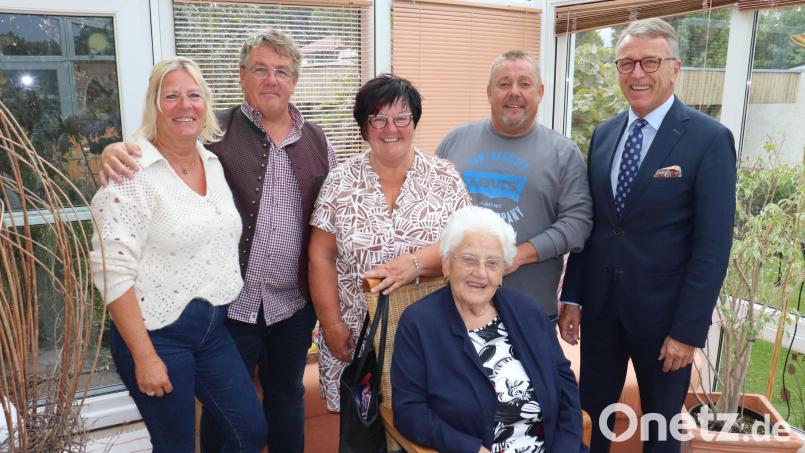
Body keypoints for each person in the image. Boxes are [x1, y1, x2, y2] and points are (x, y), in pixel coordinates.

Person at [95, 28, 336, 453]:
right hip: (232, 309)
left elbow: (331, 215)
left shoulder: (318, 140)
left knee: (285, 399)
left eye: (282, 71)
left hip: (292, 305)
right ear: (242, 76)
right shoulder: (213, 128)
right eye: (259, 69)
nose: (271, 79)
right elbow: (160, 143)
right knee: (224, 424)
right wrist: (113, 151)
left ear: (294, 80)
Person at [559, 18, 736, 453]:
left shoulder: (709, 139)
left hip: (665, 324)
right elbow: (595, 224)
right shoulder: (603, 135)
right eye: (626, 63)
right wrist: (574, 297)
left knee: (659, 431)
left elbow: (712, 247)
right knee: (591, 420)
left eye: (649, 62)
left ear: (675, 68)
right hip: (600, 313)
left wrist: (688, 330)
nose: (637, 73)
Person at [89, 56, 266, 452]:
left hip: (212, 331)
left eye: (193, 95)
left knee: (249, 431)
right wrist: (144, 355)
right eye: (171, 96)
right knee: (176, 445)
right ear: (155, 105)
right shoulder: (130, 175)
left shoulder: (212, 161)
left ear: (206, 104)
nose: (184, 106)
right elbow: (111, 273)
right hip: (157, 336)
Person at [308, 74, 473, 411]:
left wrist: (414, 262)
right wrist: (332, 324)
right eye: (378, 119)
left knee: (426, 424)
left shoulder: (444, 176)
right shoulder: (339, 181)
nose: (390, 129)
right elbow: (320, 257)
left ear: (414, 121)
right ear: (363, 126)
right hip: (356, 333)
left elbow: (466, 246)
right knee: (363, 429)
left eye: (401, 118)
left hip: (432, 333)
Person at [391, 205, 585, 453]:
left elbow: (564, 382)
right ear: (447, 265)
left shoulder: (527, 310)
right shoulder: (419, 323)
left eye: (493, 263)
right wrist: (469, 449)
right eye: (469, 259)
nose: (481, 273)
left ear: (502, 272)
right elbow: (409, 411)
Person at [436, 50, 592, 320]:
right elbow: (430, 209)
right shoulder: (454, 142)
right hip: (455, 308)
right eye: (504, 84)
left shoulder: (563, 153)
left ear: (540, 92)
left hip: (529, 311)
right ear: (489, 92)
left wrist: (518, 255)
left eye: (525, 84)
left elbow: (578, 223)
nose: (514, 92)